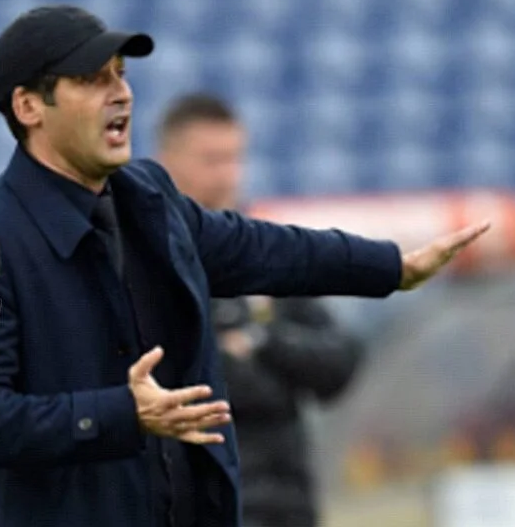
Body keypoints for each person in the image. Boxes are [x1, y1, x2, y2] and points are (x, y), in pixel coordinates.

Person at [0, 4, 490, 527]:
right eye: (92, 79)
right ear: (29, 106)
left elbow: (262, 249)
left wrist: (390, 268)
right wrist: (121, 412)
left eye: (121, 74)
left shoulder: (147, 197)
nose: (120, 93)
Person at [156, 92, 368, 527]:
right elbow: (191, 378)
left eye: (235, 158)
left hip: (289, 499)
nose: (228, 174)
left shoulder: (266, 250)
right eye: (211, 160)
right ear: (168, 161)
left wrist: (263, 341)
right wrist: (275, 375)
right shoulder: (149, 259)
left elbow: (340, 362)